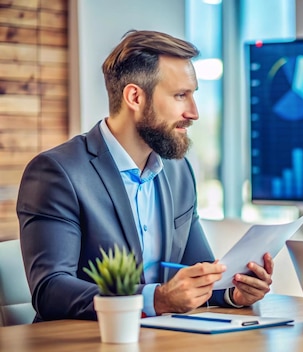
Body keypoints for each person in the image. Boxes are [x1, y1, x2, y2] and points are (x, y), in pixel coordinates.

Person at [16, 30, 274, 322]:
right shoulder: (58, 172)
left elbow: (196, 272)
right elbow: (50, 290)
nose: (194, 112)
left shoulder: (178, 172)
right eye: (180, 95)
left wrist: (232, 291)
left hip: (162, 340)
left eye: (193, 95)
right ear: (135, 96)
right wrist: (157, 299)